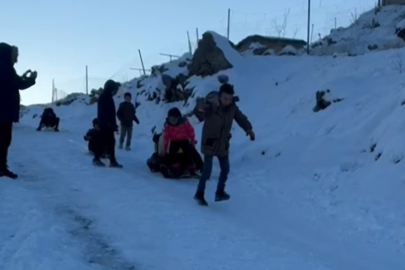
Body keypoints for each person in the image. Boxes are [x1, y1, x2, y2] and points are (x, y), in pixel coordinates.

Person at [193, 83, 255, 205]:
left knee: (225, 169)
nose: (228, 101)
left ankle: (219, 192)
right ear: (220, 97)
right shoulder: (211, 105)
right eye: (225, 98)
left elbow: (241, 118)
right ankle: (199, 194)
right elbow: (199, 111)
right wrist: (200, 108)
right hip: (209, 142)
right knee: (207, 171)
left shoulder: (232, 108)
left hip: (222, 143)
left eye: (230, 99)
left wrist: (248, 129)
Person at [0, 43, 37, 179]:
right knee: (4, 139)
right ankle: (1, 168)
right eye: (15, 56)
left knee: (3, 139)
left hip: (3, 111)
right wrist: (32, 78)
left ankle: (1, 166)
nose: (16, 59)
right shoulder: (6, 69)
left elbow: (13, 82)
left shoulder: (4, 68)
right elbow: (18, 84)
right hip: (4, 112)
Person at [162, 107, 204, 174]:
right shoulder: (168, 125)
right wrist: (165, 149)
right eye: (170, 119)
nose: (172, 121)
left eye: (173, 119)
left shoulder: (184, 122)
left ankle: (199, 166)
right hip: (174, 141)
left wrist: (192, 141)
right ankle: (175, 166)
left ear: (178, 117)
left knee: (191, 151)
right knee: (172, 152)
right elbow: (166, 137)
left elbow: (191, 131)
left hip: (184, 140)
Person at [95, 79, 123, 168]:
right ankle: (96, 158)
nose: (115, 92)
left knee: (111, 142)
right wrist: (107, 123)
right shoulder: (105, 97)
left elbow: (111, 113)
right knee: (103, 142)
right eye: (115, 90)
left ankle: (112, 160)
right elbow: (105, 113)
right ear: (110, 89)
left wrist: (113, 125)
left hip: (108, 124)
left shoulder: (107, 97)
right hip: (105, 124)